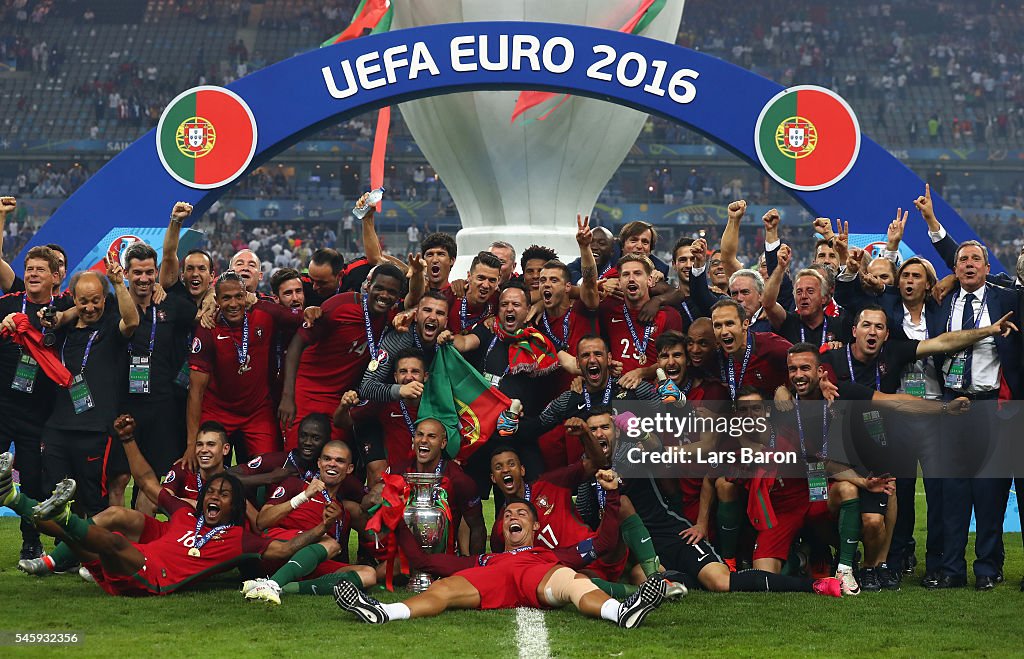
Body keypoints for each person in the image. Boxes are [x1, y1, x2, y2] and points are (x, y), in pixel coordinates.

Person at [335, 468, 670, 628]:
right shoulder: (485, 558)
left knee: (572, 581)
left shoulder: (552, 554)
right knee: (446, 587)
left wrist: (611, 494)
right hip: (492, 577)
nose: (513, 516)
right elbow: (424, 560)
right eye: (508, 514)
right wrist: (398, 521)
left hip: (539, 575)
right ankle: (383, 612)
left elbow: (604, 542)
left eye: (521, 513)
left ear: (535, 526)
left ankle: (621, 612)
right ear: (501, 527)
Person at [0, 451, 336, 596]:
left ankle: (60, 513)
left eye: (223, 494)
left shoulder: (238, 537)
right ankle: (12, 496)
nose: (213, 497)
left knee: (112, 540)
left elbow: (284, 547)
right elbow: (147, 481)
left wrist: (320, 529)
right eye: (211, 492)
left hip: (154, 580)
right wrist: (129, 439)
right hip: (133, 567)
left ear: (235, 505)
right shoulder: (185, 514)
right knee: (76, 538)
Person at [42, 255, 139, 515]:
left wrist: (119, 283)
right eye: (83, 301)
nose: (90, 307)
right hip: (58, 428)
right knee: (57, 499)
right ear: (74, 299)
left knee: (93, 500)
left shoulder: (109, 327)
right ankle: (68, 554)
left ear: (104, 300)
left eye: (96, 300)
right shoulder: (62, 329)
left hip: (95, 431)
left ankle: (94, 556)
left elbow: (131, 322)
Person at [278, 264, 404, 448]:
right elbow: (296, 345)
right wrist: (288, 397)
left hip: (341, 398)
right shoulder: (341, 306)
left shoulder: (392, 316)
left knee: (336, 454)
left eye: (391, 291)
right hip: (308, 389)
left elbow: (416, 297)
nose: (384, 295)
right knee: (298, 451)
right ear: (368, 286)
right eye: (379, 288)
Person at [0, 244, 72, 559]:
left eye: (40, 269)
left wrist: (59, 319)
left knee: (31, 480)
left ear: (55, 277)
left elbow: (90, 311)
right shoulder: (8, 304)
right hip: (3, 406)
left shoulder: (65, 307)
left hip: (39, 413)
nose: (32, 274)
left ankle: (30, 541)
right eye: (29, 269)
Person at [186, 271, 302, 464]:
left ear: (246, 295)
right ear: (216, 300)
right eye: (226, 298)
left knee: (269, 466)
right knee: (206, 465)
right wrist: (191, 444)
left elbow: (296, 318)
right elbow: (196, 391)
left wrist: (313, 310)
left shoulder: (264, 314)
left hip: (257, 411)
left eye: (239, 297)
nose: (233, 304)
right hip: (217, 410)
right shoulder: (208, 328)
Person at [118, 241, 197, 513]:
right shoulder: (110, 305)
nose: (144, 278)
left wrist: (210, 300)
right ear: (126, 273)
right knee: (117, 477)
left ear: (156, 273)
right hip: (122, 405)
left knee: (152, 479)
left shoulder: (170, 304)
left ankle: (142, 545)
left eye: (149, 272)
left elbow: (203, 312)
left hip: (163, 405)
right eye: (137, 272)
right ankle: (112, 543)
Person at [244, 440, 374, 604]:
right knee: (329, 543)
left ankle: (279, 586)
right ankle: (273, 583)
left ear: (349, 469)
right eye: (327, 459)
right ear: (319, 463)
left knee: (369, 575)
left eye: (339, 461)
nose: (332, 464)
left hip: (307, 563)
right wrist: (304, 496)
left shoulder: (341, 511)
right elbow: (262, 521)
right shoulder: (296, 486)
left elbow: (338, 555)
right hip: (278, 548)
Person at [598, 255, 682, 384]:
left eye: (637, 274)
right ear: (619, 282)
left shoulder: (670, 315)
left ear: (649, 280)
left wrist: (641, 373)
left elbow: (675, 360)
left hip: (654, 392)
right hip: (616, 390)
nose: (631, 279)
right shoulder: (607, 311)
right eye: (626, 275)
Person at [358, 291, 447, 403]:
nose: (433, 317)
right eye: (427, 310)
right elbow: (366, 387)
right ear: (415, 316)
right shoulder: (397, 341)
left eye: (440, 313)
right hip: (390, 410)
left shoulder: (448, 345)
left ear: (446, 322)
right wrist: (400, 390)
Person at [709, 298, 791, 399]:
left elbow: (806, 364)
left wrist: (785, 388)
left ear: (745, 324)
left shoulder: (771, 346)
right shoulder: (716, 357)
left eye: (729, 324)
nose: (724, 331)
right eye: (718, 326)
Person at [443, 252, 500, 334]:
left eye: (492, 280)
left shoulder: (499, 301)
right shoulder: (450, 295)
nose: (486, 285)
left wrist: (496, 319)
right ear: (469, 276)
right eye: (481, 278)